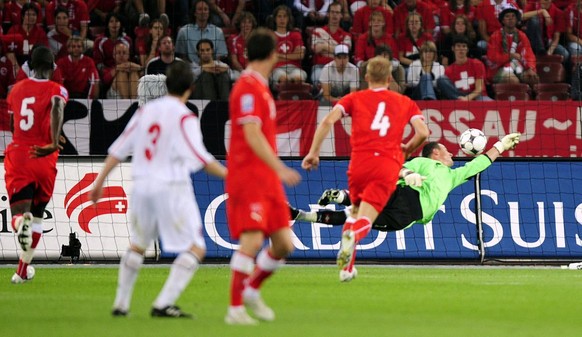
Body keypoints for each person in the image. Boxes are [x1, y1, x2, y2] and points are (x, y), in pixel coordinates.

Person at [89, 61, 227, 318]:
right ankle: (163, 303)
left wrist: (98, 183)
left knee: (138, 244)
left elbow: (118, 150)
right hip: (171, 188)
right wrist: (231, 176)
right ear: (190, 88)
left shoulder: (146, 112)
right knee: (196, 248)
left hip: (141, 186)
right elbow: (202, 160)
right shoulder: (185, 116)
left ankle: (121, 304)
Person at [292, 134, 521, 281]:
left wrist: (500, 145)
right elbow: (397, 167)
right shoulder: (426, 162)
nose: (452, 153)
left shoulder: (453, 176)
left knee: (355, 216)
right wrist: (408, 173)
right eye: (446, 150)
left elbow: (479, 163)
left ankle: (306, 213)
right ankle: (344, 199)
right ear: (435, 153)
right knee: (364, 213)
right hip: (408, 208)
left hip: (398, 200)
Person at [302, 56, 429, 280]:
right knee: (365, 220)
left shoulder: (354, 98)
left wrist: (313, 152)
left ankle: (346, 269)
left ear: (367, 77)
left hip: (359, 164)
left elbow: (327, 121)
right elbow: (423, 133)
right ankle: (352, 239)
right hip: (386, 165)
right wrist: (407, 150)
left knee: (354, 213)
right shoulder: (404, 102)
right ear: (390, 78)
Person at [225, 27, 302, 325]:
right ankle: (234, 308)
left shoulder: (259, 86)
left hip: (266, 178)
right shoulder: (246, 86)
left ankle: (252, 290)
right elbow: (252, 133)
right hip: (250, 176)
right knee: (252, 241)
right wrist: (280, 167)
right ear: (273, 54)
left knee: (284, 244)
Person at [5, 46, 68, 284]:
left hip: (21, 155)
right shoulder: (57, 89)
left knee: (20, 214)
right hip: (45, 159)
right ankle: (22, 271)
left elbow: (13, 125)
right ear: (53, 68)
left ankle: (19, 223)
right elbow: (57, 106)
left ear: (30, 66)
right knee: (39, 218)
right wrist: (53, 140)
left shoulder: (15, 90)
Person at [486, 5, 538, 86]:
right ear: (502, 20)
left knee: (534, 78)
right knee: (513, 81)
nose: (511, 18)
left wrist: (530, 68)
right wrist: (510, 56)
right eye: (507, 16)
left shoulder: (522, 35)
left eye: (513, 16)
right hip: (498, 69)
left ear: (517, 19)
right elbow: (492, 57)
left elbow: (529, 55)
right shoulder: (495, 36)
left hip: (517, 66)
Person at [437, 36, 493, 101]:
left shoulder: (477, 63)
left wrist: (468, 98)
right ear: (453, 48)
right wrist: (462, 99)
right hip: (460, 97)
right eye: (458, 46)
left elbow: (479, 89)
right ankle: (459, 100)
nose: (461, 49)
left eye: (464, 46)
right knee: (441, 80)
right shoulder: (449, 70)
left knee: (495, 106)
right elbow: (450, 91)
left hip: (478, 96)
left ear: (467, 49)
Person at [175, 0, 228, 64]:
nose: (203, 12)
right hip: (190, 69)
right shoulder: (184, 32)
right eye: (200, 9)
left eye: (205, 9)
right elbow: (182, 57)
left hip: (212, 68)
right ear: (194, 13)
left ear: (209, 12)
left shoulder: (218, 32)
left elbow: (219, 57)